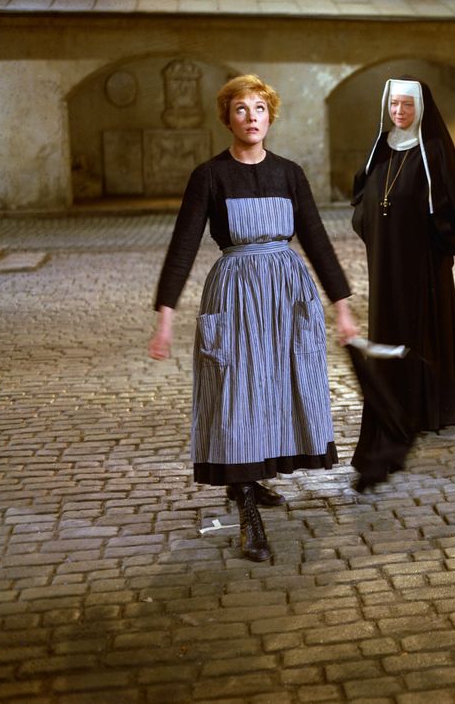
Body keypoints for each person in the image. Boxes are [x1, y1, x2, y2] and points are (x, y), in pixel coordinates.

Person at [148, 74, 357, 562]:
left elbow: (317, 241)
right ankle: (246, 510)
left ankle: (252, 478)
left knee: (276, 387)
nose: (251, 119)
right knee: (235, 391)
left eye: (259, 109)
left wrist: (342, 308)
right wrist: (164, 318)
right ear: (228, 118)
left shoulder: (290, 173)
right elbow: (182, 248)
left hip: (286, 294)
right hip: (236, 293)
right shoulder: (210, 176)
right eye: (241, 110)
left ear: (270, 116)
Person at [349, 78, 455, 488]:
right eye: (394, 104)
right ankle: (393, 400)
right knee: (387, 324)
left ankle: (429, 408)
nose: (399, 112)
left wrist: (427, 236)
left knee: (423, 328)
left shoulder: (432, 148)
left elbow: (451, 207)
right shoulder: (381, 144)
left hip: (421, 265)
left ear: (420, 108)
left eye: (406, 105)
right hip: (385, 261)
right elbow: (364, 191)